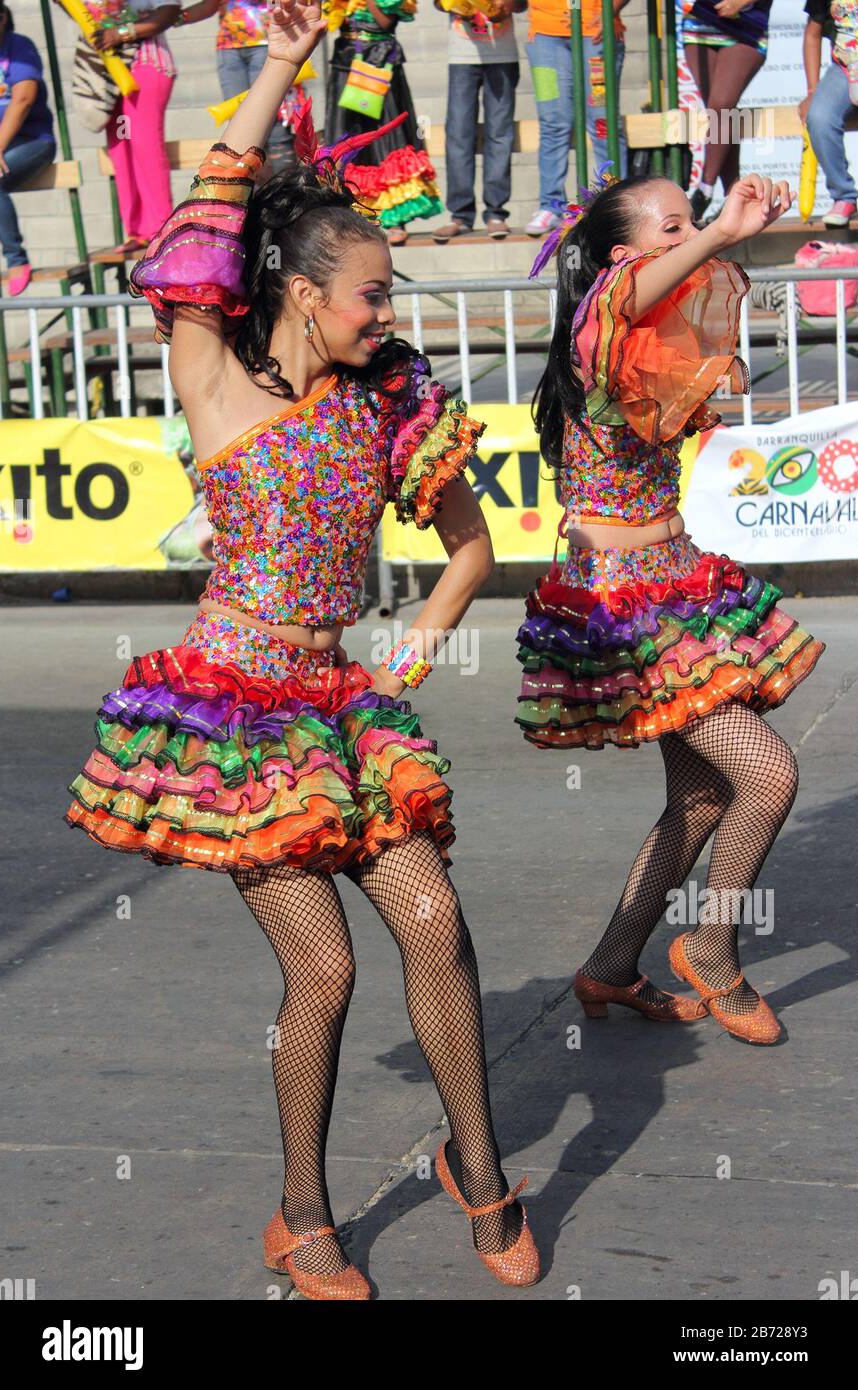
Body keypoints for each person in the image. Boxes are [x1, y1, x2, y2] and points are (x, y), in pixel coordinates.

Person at [63, 0, 541, 1300]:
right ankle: (300, 1208)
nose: (386, 309)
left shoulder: (392, 396)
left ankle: (478, 1166)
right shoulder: (212, 376)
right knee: (321, 969)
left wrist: (409, 651)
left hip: (343, 703)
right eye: (370, 291)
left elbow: (470, 548)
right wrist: (277, 58)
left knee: (434, 922)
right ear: (299, 290)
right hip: (232, 719)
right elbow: (201, 216)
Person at [516, 166, 826, 1045]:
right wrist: (722, 231)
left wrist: (735, 233)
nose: (688, 239)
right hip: (623, 606)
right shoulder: (602, 324)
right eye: (671, 229)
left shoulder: (655, 344)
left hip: (679, 581)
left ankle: (611, 968)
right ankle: (713, 950)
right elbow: (625, 293)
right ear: (622, 259)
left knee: (697, 801)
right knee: (769, 774)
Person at [65, 1, 181, 255]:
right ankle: (137, 231)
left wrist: (121, 33)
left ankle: (161, 229)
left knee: (145, 144)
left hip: (145, 63)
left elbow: (169, 10)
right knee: (120, 148)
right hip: (107, 67)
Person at [323, 0, 442, 245]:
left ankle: (394, 218)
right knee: (348, 142)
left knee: (386, 139)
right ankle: (354, 212)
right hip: (346, 60)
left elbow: (385, 22)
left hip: (379, 62)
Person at [525, 0, 630, 236]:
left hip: (595, 31)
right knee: (552, 121)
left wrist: (609, 10)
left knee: (603, 122)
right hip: (545, 36)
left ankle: (613, 202)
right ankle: (550, 206)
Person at [431, 0, 527, 243]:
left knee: (500, 134)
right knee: (459, 135)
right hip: (462, 57)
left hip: (502, 55)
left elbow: (522, 5)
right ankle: (460, 215)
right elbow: (438, 4)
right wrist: (455, 5)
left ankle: (496, 212)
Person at [173, 1, 298, 170]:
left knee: (272, 117)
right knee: (239, 120)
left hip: (266, 43)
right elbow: (211, 4)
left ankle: (285, 188)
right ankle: (248, 189)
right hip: (229, 48)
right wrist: (174, 18)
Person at [681, 0, 773, 224]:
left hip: (746, 27)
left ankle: (705, 188)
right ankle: (734, 194)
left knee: (721, 105)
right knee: (720, 114)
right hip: (699, 25)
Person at [0, 2, 56, 296]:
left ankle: (16, 258)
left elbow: (23, 99)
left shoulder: (18, 47)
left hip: (31, 142)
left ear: (0, 18)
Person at [802, 1, 858, 227]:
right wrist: (812, 91)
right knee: (820, 117)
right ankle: (844, 196)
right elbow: (812, 35)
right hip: (845, 68)